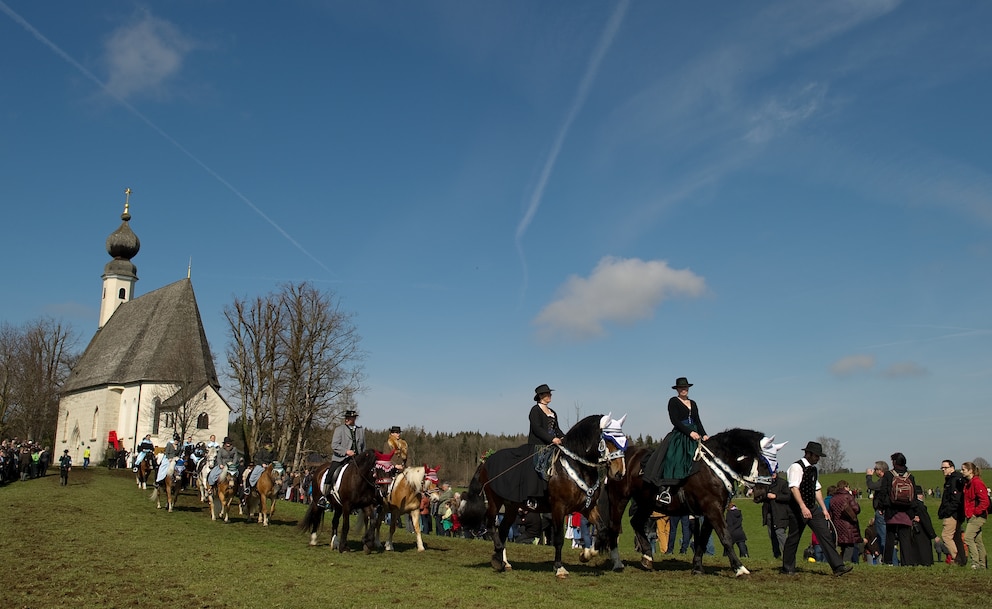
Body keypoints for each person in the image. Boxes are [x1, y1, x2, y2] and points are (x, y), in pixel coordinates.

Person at [780, 441, 852, 576]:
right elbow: (794, 488)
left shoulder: (813, 469)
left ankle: (838, 567)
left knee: (825, 534)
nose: (818, 459)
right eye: (816, 456)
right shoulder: (796, 467)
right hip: (797, 509)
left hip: (813, 508)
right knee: (794, 538)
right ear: (808, 454)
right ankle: (788, 568)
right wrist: (802, 507)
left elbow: (816, 489)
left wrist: (824, 509)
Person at [645, 377, 708, 505]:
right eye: (681, 388)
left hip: (696, 434)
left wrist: (704, 434)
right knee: (675, 458)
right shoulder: (673, 401)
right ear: (677, 389)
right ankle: (666, 490)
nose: (684, 389)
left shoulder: (693, 403)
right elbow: (675, 421)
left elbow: (698, 420)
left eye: (685, 387)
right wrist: (689, 432)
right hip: (681, 434)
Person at [523, 383, 565, 510]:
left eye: (550, 394)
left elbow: (556, 429)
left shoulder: (553, 412)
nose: (550, 396)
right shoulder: (535, 410)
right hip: (538, 445)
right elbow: (537, 429)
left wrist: (564, 438)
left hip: (553, 444)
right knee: (538, 466)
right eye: (548, 394)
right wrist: (552, 439)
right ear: (541, 396)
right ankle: (532, 497)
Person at [876, 452, 917, 566]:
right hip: (906, 511)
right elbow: (913, 496)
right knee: (905, 538)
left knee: (890, 536)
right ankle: (906, 562)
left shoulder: (889, 475)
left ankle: (888, 561)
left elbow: (883, 492)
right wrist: (913, 511)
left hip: (892, 510)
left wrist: (881, 507)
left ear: (894, 462)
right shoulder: (910, 476)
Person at [937, 459, 966, 566]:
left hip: (953, 514)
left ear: (952, 468)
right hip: (956, 513)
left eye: (945, 467)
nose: (943, 470)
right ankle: (962, 559)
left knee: (946, 536)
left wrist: (947, 512)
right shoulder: (951, 479)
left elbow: (955, 499)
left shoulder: (954, 480)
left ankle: (957, 558)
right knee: (956, 537)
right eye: (942, 468)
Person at [961, 461, 989, 569]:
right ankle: (983, 565)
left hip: (978, 516)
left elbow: (985, 501)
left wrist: (975, 512)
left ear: (970, 471)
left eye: (963, 469)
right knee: (978, 541)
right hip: (972, 515)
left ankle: (975, 563)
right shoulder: (968, 483)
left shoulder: (977, 483)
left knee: (967, 538)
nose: (962, 471)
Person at [828, 479, 862, 563]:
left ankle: (840, 562)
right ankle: (846, 562)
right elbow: (856, 509)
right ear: (845, 487)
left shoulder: (833, 498)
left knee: (843, 545)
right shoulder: (848, 496)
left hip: (837, 524)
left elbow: (831, 513)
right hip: (848, 524)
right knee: (849, 545)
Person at [865, 460, 891, 564]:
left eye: (875, 469)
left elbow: (871, 486)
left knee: (882, 536)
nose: (874, 471)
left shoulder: (883, 480)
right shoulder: (889, 479)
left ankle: (886, 559)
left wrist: (868, 476)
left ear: (880, 470)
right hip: (886, 511)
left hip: (881, 512)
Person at [762, 470, 791, 559]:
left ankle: (788, 555)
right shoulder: (766, 484)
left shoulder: (783, 483)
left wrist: (776, 496)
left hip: (780, 513)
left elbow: (788, 496)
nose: (772, 474)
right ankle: (776, 555)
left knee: (780, 533)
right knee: (772, 536)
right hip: (769, 514)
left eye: (774, 472)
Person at [909, 485, 937, 566]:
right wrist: (933, 535)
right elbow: (926, 521)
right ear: (921, 495)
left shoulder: (911, 504)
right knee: (924, 549)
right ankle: (926, 563)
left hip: (913, 529)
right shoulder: (920, 506)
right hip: (921, 531)